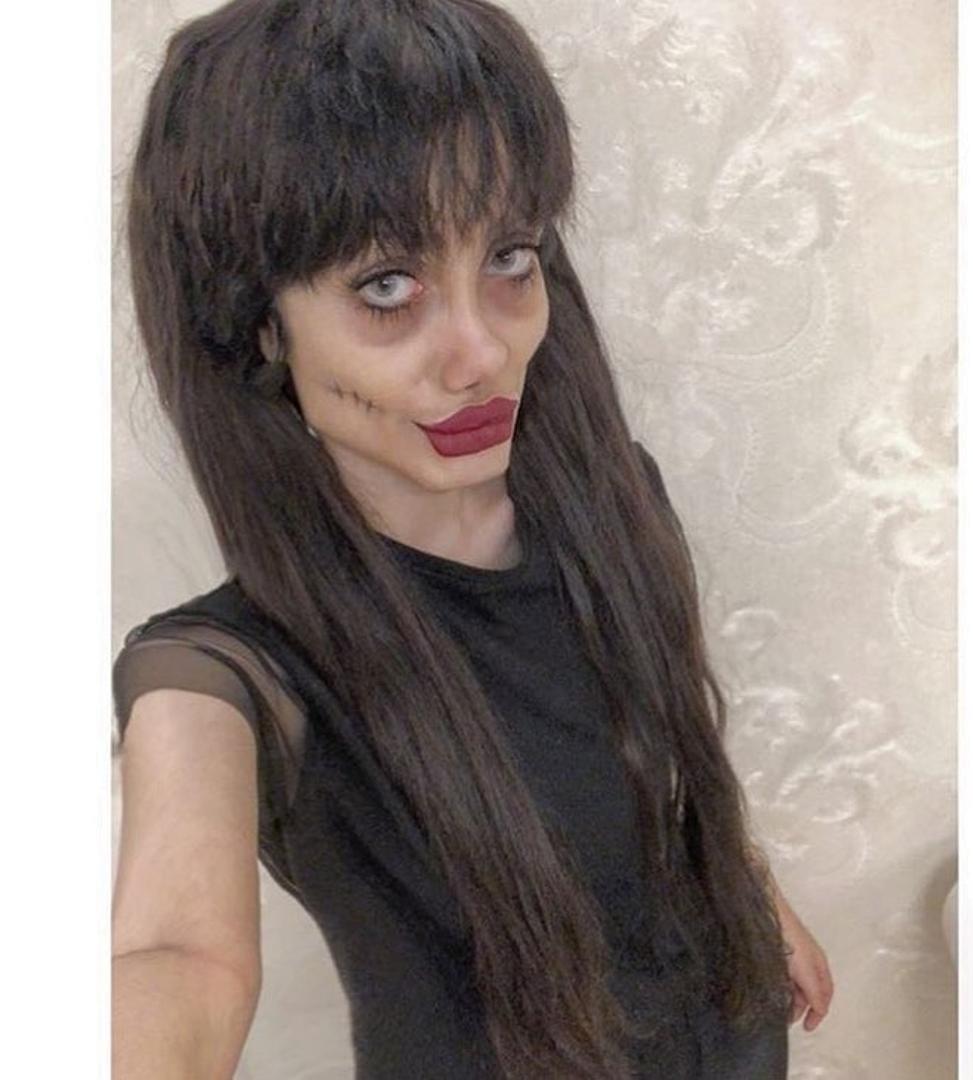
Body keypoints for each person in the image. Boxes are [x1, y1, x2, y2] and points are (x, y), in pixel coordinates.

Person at [110, 1, 834, 1077]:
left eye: (508, 257)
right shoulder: (222, 678)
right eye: (387, 286)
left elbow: (659, 755)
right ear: (258, 321)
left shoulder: (615, 501)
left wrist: (751, 888)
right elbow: (177, 953)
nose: (481, 352)